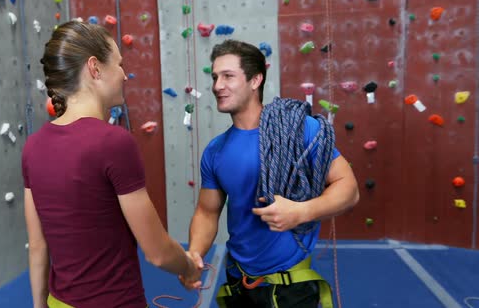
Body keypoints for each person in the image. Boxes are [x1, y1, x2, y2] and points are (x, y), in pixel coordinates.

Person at [21, 21, 203, 308]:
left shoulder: (33, 146)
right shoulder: (113, 143)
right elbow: (157, 251)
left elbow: (38, 245)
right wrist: (189, 267)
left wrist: (39, 305)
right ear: (95, 68)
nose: (124, 75)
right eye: (119, 64)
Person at [184, 40, 359, 307]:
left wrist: (301, 212)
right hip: (238, 285)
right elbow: (207, 212)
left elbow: (349, 189)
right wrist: (194, 254)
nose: (217, 85)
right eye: (215, 76)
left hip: (290, 289)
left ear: (255, 80)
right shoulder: (215, 151)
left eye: (228, 76)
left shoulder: (299, 130)